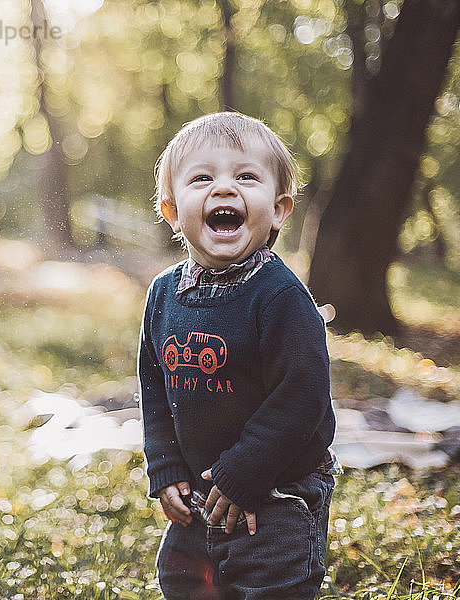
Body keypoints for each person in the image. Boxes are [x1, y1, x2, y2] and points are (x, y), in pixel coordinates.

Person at [138, 111, 341, 600]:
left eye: (246, 177)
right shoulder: (164, 295)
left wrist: (246, 473)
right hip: (198, 493)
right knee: (184, 581)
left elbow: (301, 398)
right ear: (172, 210)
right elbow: (154, 387)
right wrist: (164, 467)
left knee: (271, 586)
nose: (224, 189)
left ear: (278, 209)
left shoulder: (281, 297)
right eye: (203, 177)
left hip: (277, 497)